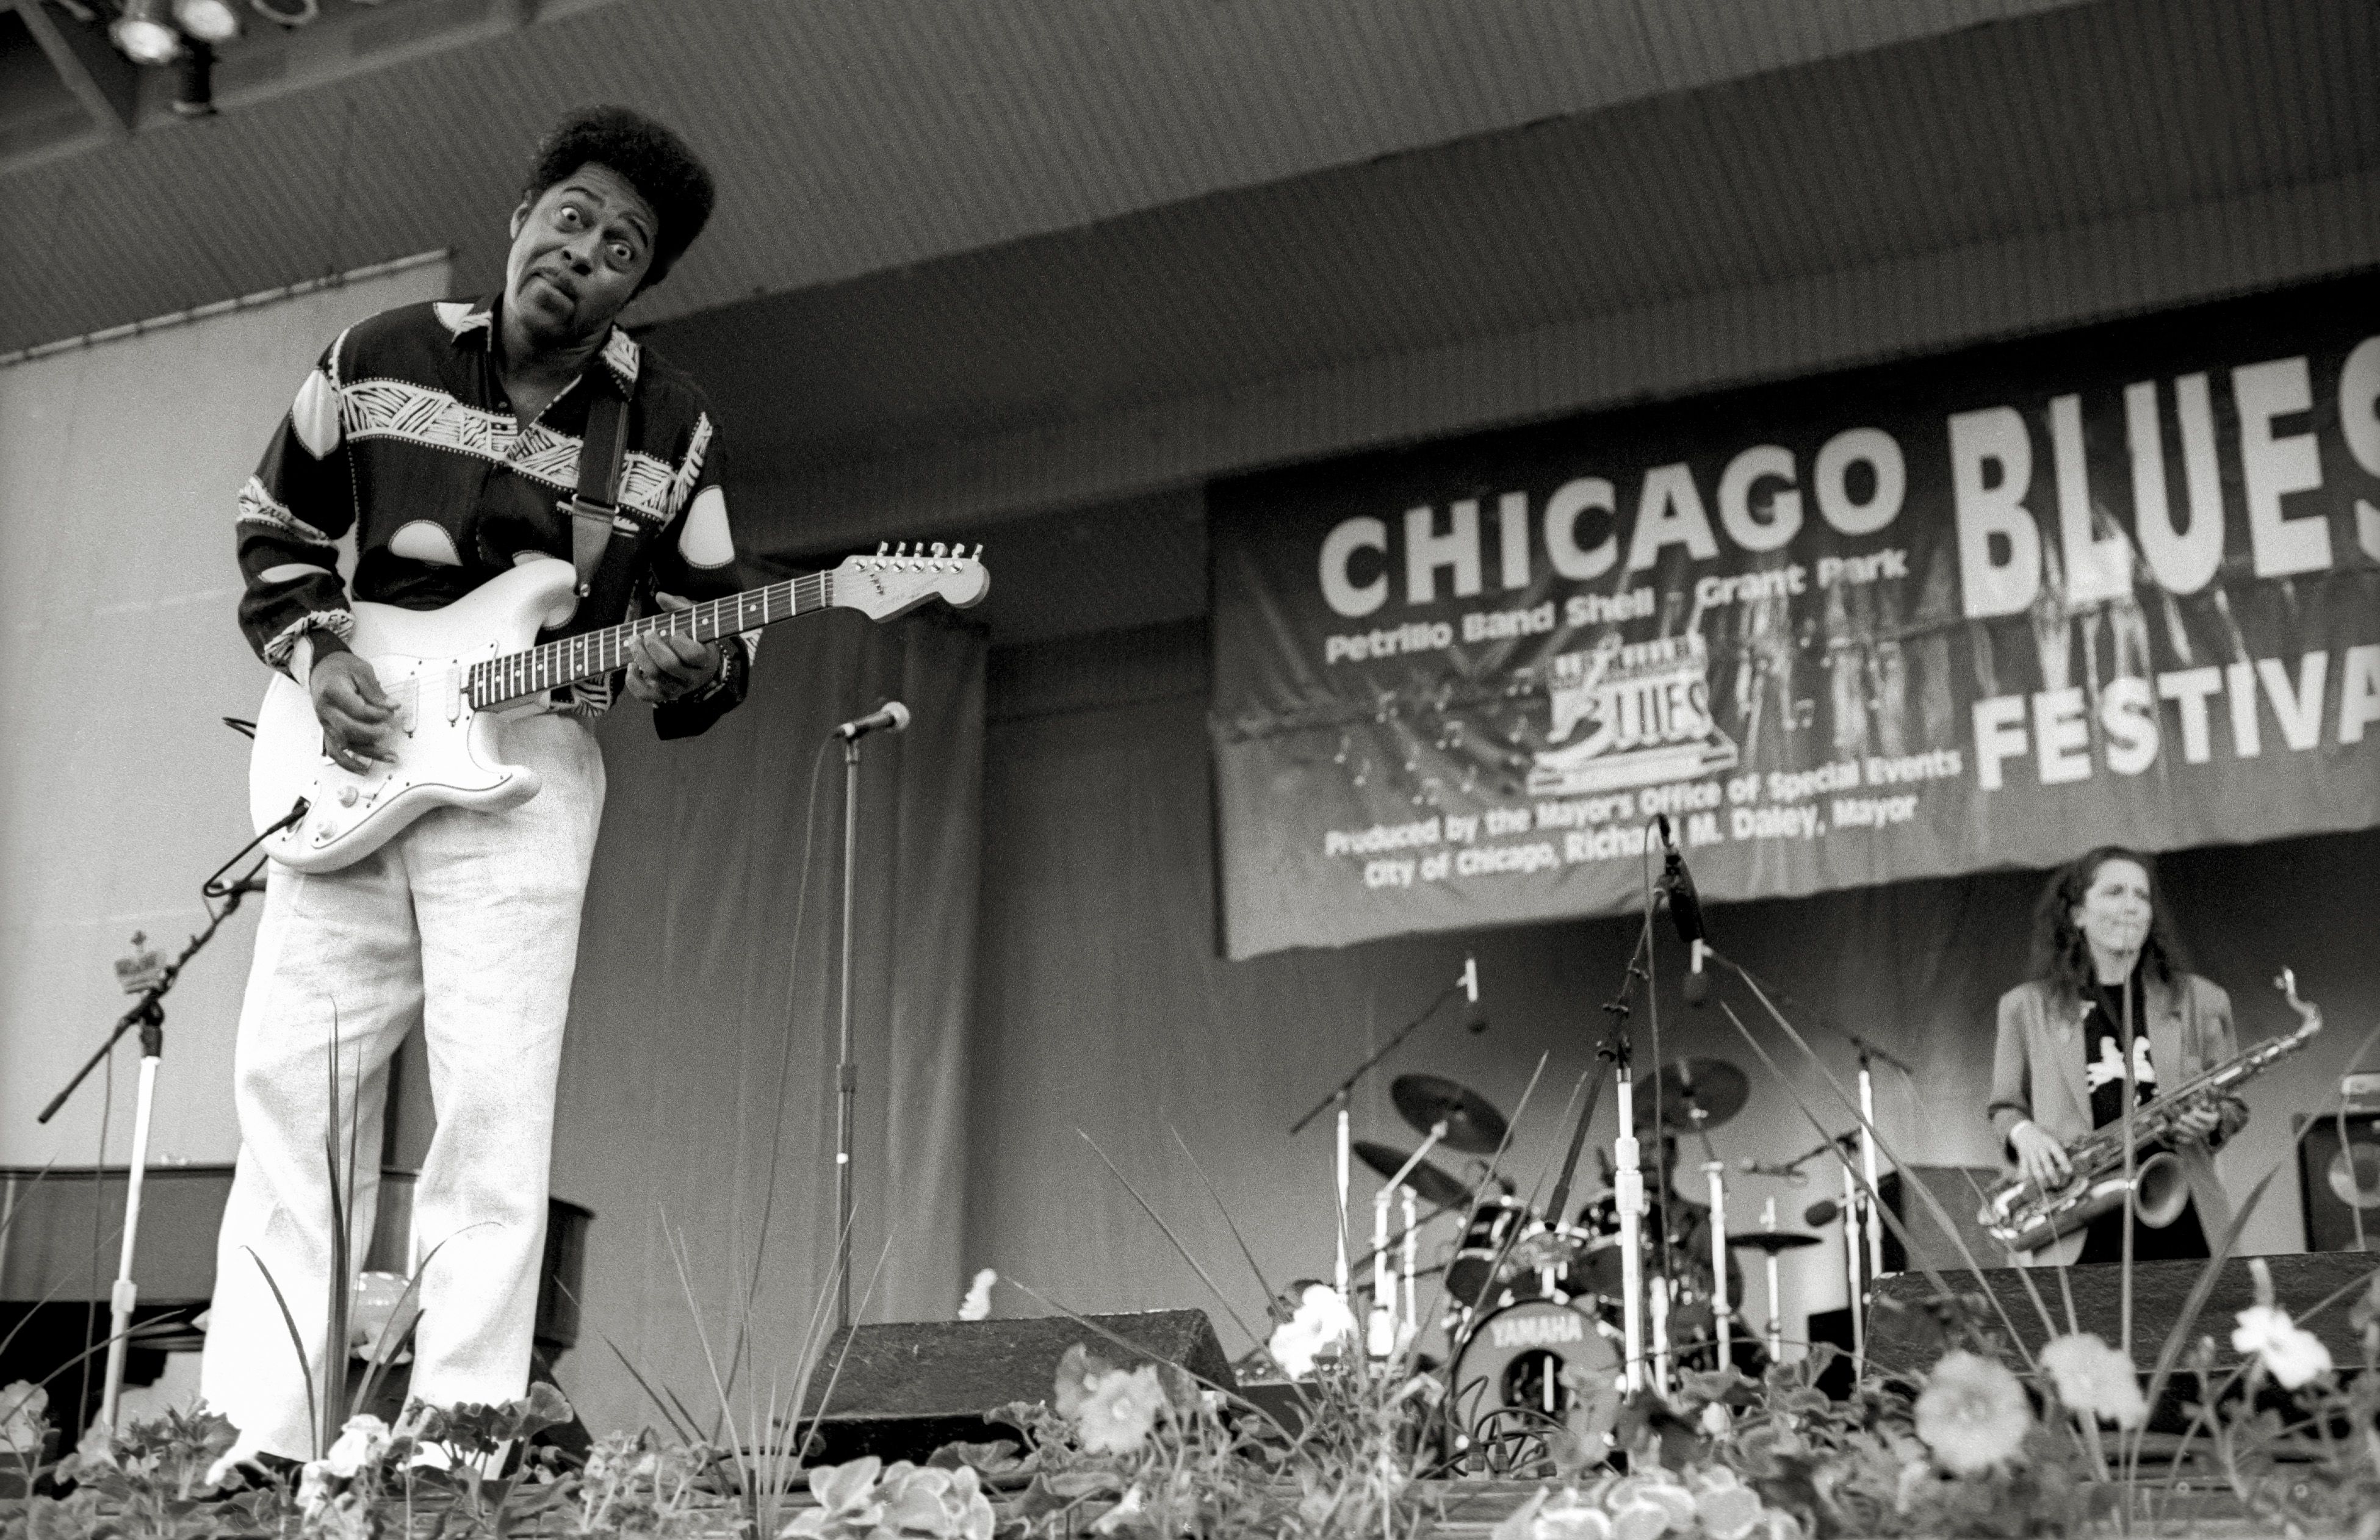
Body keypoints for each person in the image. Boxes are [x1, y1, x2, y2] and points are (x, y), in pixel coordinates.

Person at [204, 106, 752, 1462]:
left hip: (533, 759)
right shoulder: (372, 357)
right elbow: (275, 525)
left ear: (639, 287)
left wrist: (695, 668)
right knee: (291, 1090)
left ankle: (455, 1425)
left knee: (495, 1100)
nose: (586, 250)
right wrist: (318, 645)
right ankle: (260, 1430)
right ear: (520, 216)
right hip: (352, 751)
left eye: (622, 246)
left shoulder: (670, 429)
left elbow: (717, 620)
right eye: (572, 214)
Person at [1986, 846, 2246, 1267]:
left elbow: (2232, 1104)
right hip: (2077, 1218)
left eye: (2141, 897)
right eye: (2114, 892)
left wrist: (2214, 1120)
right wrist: (2025, 1135)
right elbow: (2004, 1107)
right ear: (2077, 915)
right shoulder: (2024, 1007)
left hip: (2183, 1212)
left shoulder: (2203, 999)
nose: (2131, 907)